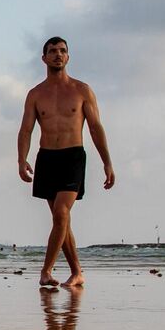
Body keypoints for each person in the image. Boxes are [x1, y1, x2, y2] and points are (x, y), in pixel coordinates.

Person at [17, 37, 115, 288]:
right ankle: (77, 272)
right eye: (52, 51)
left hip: (73, 156)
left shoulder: (82, 90)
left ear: (68, 57)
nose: (58, 55)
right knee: (62, 220)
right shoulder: (35, 94)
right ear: (44, 58)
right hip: (47, 157)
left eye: (62, 51)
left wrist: (107, 162)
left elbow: (95, 128)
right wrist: (21, 159)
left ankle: (46, 271)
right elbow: (26, 130)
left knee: (61, 214)